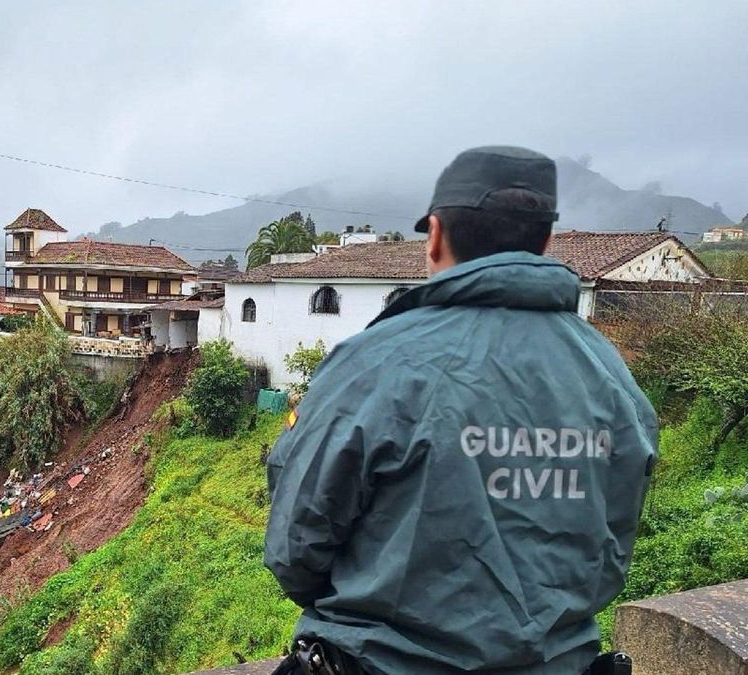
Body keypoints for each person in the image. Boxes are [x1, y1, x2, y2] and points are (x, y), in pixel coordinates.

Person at [264, 146, 658, 674]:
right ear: (545, 242)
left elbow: (297, 546)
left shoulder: (373, 364)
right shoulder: (611, 374)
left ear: (434, 237)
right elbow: (613, 545)